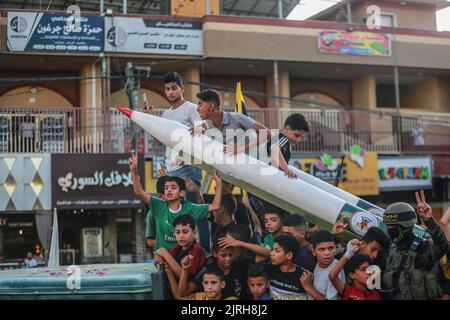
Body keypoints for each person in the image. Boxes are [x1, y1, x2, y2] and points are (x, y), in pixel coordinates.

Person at [159, 72, 210, 253]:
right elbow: (162, 140)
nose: (170, 92)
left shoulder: (190, 108)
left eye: (174, 88)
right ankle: (180, 252)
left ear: (182, 88)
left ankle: (204, 249)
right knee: (175, 214)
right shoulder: (165, 113)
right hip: (171, 169)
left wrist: (187, 139)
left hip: (188, 167)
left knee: (192, 211)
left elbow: (203, 127)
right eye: (167, 89)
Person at [381, 190, 449, 300]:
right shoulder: (387, 252)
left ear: (404, 226)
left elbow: (443, 246)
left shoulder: (424, 249)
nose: (389, 230)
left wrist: (429, 221)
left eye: (391, 226)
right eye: (387, 226)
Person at [146, 171, 222, 252]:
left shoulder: (185, 206)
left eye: (173, 188)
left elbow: (206, 210)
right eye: (167, 188)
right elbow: (150, 242)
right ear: (161, 196)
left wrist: (197, 192)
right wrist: (172, 244)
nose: (169, 191)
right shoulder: (153, 212)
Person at [194, 88, 271, 155]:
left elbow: (267, 133)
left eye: (200, 105)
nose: (197, 109)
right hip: (234, 169)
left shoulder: (236, 118)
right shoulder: (208, 125)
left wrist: (241, 148)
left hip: (255, 165)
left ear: (211, 106)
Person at [154, 214, 206, 279]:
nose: (181, 236)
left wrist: (165, 254)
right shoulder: (177, 248)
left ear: (194, 232)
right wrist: (158, 259)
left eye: (185, 232)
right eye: (178, 232)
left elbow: (184, 278)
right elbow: (162, 258)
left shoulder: (197, 249)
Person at [301, 230, 345, 300]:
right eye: (322, 249)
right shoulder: (315, 261)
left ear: (335, 249)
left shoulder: (336, 269)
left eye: (331, 248)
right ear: (314, 251)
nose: (327, 253)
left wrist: (308, 287)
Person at [266, 113, 310, 179]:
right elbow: (274, 150)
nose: (298, 139)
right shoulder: (283, 139)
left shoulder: (278, 138)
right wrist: (287, 170)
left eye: (301, 137)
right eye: (297, 135)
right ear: (287, 129)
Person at [267, 235, 307, 300]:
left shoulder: (303, 276)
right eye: (272, 249)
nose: (271, 253)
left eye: (277, 251)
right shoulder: (269, 268)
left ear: (289, 255)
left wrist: (308, 287)